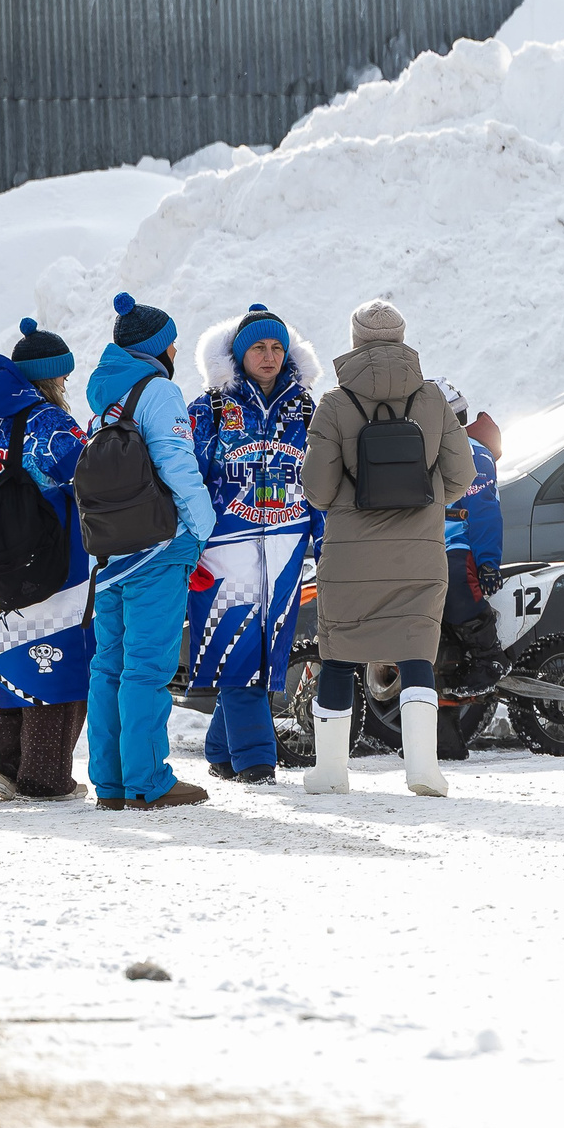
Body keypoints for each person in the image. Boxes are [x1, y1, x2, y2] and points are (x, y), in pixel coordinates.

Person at [300, 300, 476, 798]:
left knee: (338, 655)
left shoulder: (334, 405)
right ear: (402, 340)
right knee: (417, 652)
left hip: (349, 553)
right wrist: (424, 500)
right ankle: (423, 768)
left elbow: (316, 488)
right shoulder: (434, 400)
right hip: (419, 550)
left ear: (354, 343)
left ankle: (331, 772)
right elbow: (462, 475)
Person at [84, 293, 218, 811]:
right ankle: (148, 781)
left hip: (113, 552)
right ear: (159, 349)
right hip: (159, 548)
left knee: (109, 667)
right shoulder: (159, 392)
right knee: (147, 669)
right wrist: (201, 530)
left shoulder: (106, 400)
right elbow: (177, 466)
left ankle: (112, 783)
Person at [0, 323, 93, 800]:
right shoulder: (48, 423)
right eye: (63, 379)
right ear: (49, 379)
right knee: (62, 664)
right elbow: (91, 475)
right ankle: (43, 777)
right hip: (52, 565)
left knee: (22, 664)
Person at [186, 304, 322, 785]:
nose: (268, 356)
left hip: (285, 549)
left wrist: (322, 542)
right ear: (239, 354)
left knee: (266, 654)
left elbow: (323, 481)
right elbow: (187, 481)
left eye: (276, 347)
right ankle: (257, 760)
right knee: (236, 646)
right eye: (259, 348)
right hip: (225, 550)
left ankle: (222, 751)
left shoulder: (306, 407)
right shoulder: (210, 408)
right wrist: (189, 544)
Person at [436, 375, 506, 689]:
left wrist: (488, 562)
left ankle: (488, 656)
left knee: (454, 582)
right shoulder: (429, 450)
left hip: (461, 545)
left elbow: (483, 511)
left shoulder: (471, 453)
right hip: (429, 541)